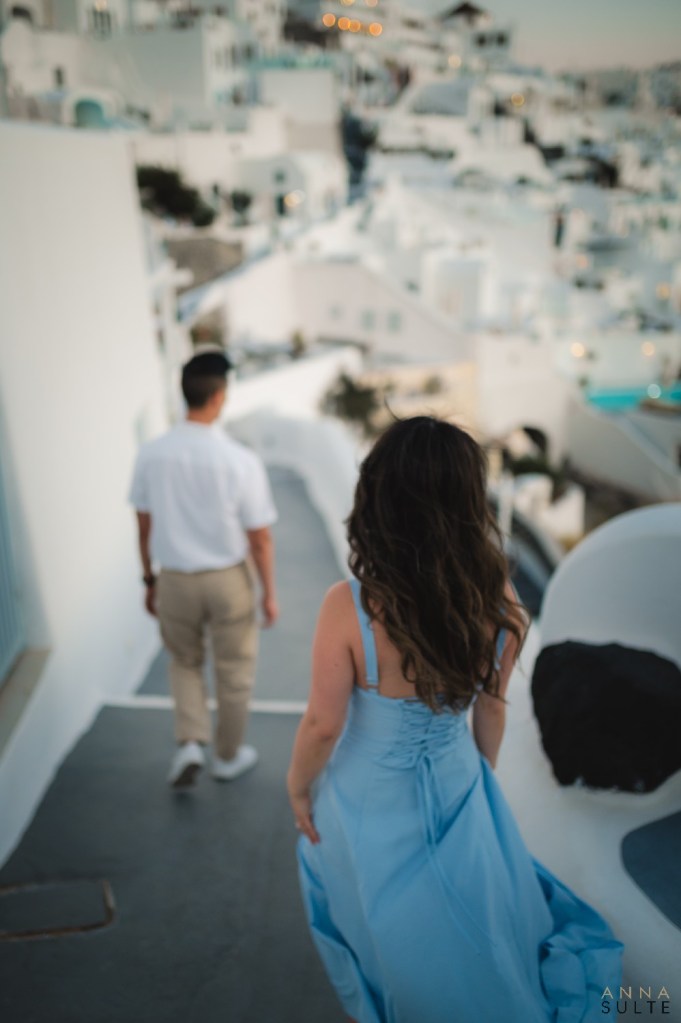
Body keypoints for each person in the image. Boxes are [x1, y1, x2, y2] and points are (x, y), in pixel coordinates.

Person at [287, 416, 622, 1023]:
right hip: (456, 779)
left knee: (380, 919)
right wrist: (477, 783)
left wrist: (296, 786)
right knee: (470, 936)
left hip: (368, 797)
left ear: (380, 497)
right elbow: (492, 706)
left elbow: (322, 725)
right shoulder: (502, 602)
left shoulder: (352, 605)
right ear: (469, 502)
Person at [130, 350, 278, 788]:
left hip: (174, 577)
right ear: (219, 395)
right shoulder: (239, 460)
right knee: (233, 672)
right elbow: (260, 538)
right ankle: (227, 757)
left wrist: (149, 579)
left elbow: (142, 526)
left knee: (184, 662)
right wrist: (269, 592)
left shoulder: (151, 454)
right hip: (228, 580)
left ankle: (191, 742)